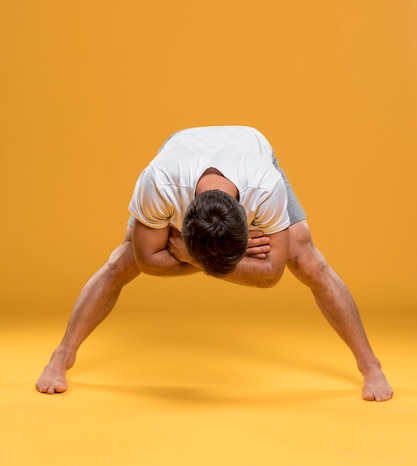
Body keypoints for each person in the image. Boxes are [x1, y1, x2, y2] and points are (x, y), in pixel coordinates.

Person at [36, 125, 393, 400]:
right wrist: (215, 259)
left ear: (251, 220)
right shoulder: (159, 183)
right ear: (182, 216)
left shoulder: (266, 189)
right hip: (180, 146)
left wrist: (192, 255)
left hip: (251, 144)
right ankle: (61, 356)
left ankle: (370, 366)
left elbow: (271, 274)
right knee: (121, 260)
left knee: (310, 261)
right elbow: (147, 260)